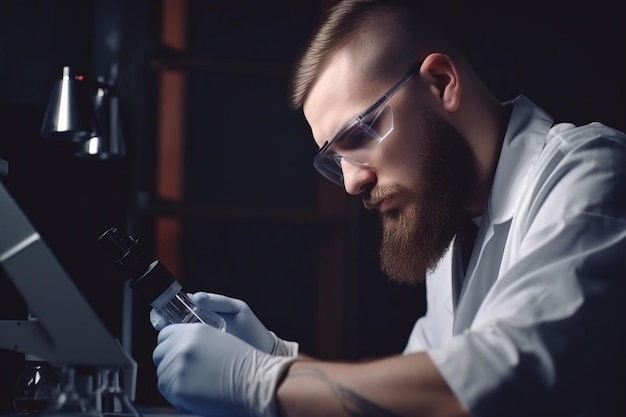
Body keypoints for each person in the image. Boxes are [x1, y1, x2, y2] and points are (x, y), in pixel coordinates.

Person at [151, 0, 626, 416]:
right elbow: (411, 398)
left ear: (440, 83)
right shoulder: (449, 214)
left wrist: (263, 382)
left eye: (359, 135)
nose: (353, 182)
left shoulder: (592, 171)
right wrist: (277, 357)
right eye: (334, 160)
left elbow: (501, 378)